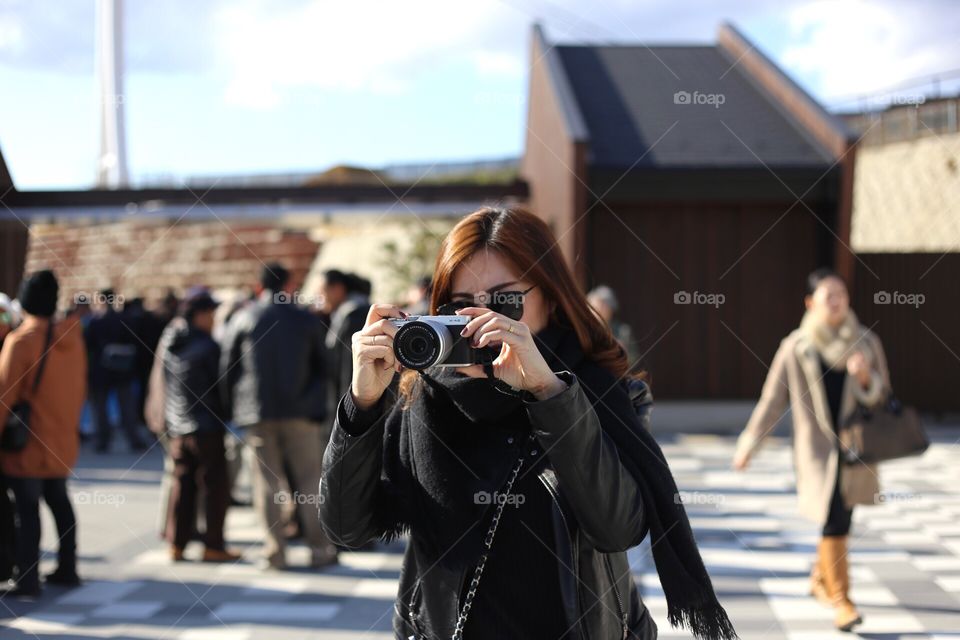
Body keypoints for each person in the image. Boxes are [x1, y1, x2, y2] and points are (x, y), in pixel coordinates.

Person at [319, 206, 737, 640]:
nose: (482, 323)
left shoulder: (595, 390)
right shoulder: (421, 395)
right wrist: (361, 404)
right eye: (460, 307)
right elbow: (347, 528)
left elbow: (618, 528)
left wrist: (550, 395)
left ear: (551, 297)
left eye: (504, 302)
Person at [732, 267, 890, 632]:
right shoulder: (796, 346)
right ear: (810, 303)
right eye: (828, 296)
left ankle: (822, 579)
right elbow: (772, 401)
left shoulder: (866, 342)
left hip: (856, 449)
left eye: (842, 294)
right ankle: (842, 601)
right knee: (834, 515)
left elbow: (884, 398)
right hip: (818, 451)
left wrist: (866, 378)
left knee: (842, 517)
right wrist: (749, 444)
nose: (837, 302)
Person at [220, 263, 336, 570]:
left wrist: (230, 408)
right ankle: (320, 550)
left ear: (259, 287)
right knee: (310, 481)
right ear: (288, 286)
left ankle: (275, 552)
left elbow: (227, 367)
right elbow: (324, 368)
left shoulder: (243, 318)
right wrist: (316, 406)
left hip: (256, 413)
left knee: (266, 484)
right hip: (300, 413)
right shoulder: (304, 320)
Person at [0, 271, 87, 597]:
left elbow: (3, 395)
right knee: (59, 502)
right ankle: (68, 567)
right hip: (63, 439)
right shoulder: (73, 339)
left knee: (27, 509)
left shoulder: (22, 340)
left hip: (28, 442)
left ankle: (27, 579)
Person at [161, 289, 239, 563]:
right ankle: (213, 545)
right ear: (200, 315)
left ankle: (177, 544)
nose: (215, 319)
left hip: (178, 427)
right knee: (215, 487)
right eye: (211, 313)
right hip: (206, 427)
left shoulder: (172, 345)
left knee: (182, 487)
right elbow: (222, 387)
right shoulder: (208, 346)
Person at [85, 288, 146, 452]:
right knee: (127, 406)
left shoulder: (96, 321)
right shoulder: (125, 319)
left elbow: (88, 347)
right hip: (122, 370)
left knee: (100, 409)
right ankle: (133, 439)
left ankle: (102, 441)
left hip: (101, 371)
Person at [321, 270, 370, 416]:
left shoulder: (354, 317)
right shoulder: (346, 315)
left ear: (337, 289)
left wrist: (346, 412)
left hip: (355, 406)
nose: (320, 298)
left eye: (322, 291)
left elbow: (348, 370)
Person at [587, 284, 641, 370]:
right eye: (594, 307)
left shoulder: (623, 331)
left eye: (604, 307)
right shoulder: (585, 330)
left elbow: (635, 359)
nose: (599, 311)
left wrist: (623, 354)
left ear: (611, 309)